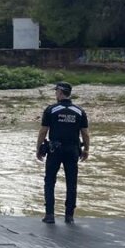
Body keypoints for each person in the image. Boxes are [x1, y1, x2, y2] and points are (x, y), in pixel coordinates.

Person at [36, 81, 90, 224]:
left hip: (55, 150)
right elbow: (85, 134)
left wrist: (38, 148)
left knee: (49, 181)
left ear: (60, 92)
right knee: (71, 183)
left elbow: (43, 131)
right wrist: (86, 150)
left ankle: (49, 215)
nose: (55, 94)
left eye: (56, 91)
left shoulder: (51, 109)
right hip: (73, 150)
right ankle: (69, 216)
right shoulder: (79, 111)